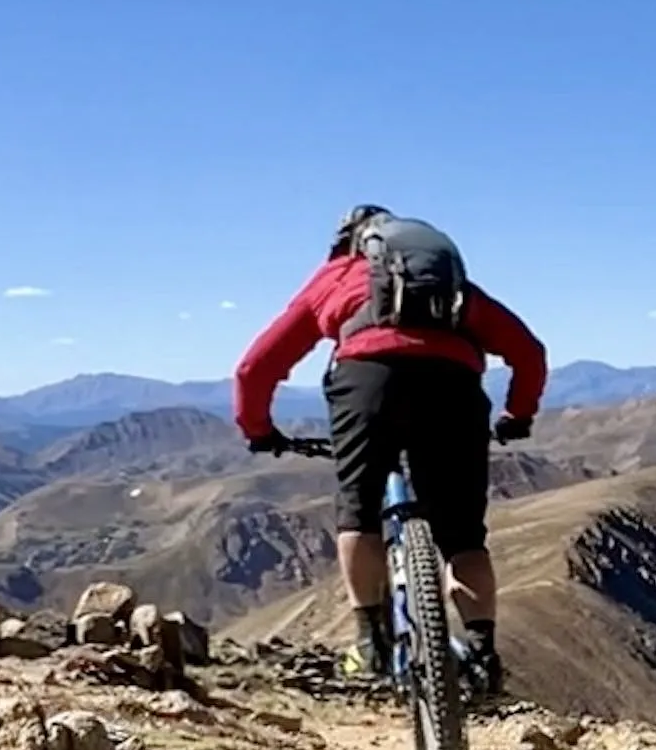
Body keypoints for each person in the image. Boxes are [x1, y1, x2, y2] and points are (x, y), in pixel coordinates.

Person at [233, 205, 546, 693]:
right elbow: (529, 352)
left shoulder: (336, 276)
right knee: (463, 537)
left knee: (359, 512)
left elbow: (256, 367)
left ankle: (369, 639)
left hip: (367, 384)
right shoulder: (449, 287)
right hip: (453, 390)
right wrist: (517, 416)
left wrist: (259, 429)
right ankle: (483, 655)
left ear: (350, 244)